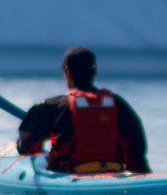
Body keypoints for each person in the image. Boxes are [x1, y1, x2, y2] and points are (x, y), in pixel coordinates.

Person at [16, 47, 151, 174]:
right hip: (114, 173)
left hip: (69, 178)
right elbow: (137, 153)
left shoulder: (54, 107)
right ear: (94, 72)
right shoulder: (118, 105)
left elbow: (26, 147)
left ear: (67, 73)